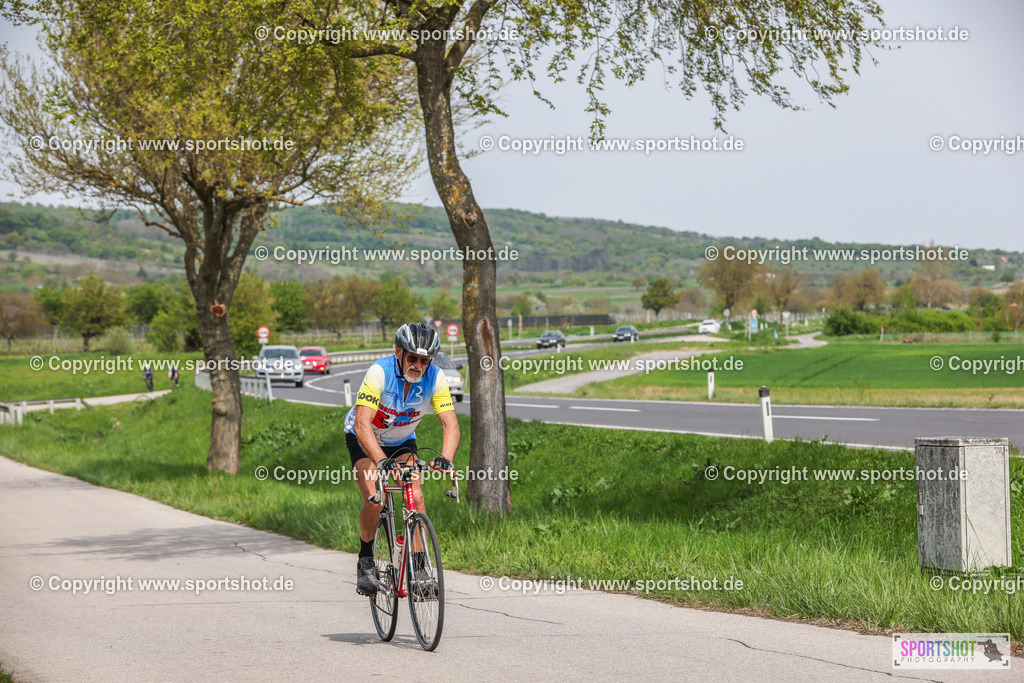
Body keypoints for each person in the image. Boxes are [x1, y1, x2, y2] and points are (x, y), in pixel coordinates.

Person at [345, 322, 459, 595]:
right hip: (365, 437)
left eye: (424, 360)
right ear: (399, 352)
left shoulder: (436, 378)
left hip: (402, 440)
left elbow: (450, 424)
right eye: (412, 358)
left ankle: (418, 571)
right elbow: (362, 423)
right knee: (375, 500)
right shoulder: (380, 372)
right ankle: (366, 562)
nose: (418, 365)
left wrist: (446, 458)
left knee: (415, 497)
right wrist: (380, 460)